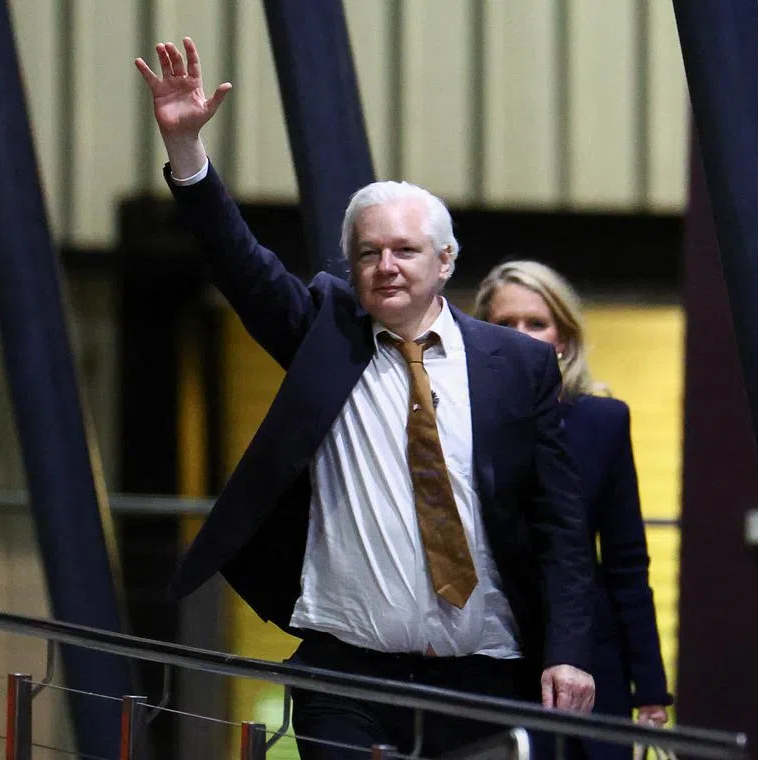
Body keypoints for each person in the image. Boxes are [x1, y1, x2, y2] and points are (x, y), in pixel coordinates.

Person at [135, 38, 596, 758]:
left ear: (445, 262)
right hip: (345, 673)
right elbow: (241, 265)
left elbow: (562, 526)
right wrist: (187, 152)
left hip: (483, 678)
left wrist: (568, 648)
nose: (385, 267)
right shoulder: (327, 334)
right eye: (368, 253)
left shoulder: (517, 365)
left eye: (405, 251)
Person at [474, 261, 674, 760]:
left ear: (563, 336)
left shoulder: (602, 421)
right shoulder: (459, 422)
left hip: (591, 659)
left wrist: (649, 688)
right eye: (504, 325)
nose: (521, 337)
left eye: (535, 323)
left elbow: (626, 564)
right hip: (492, 657)